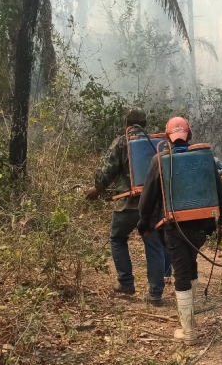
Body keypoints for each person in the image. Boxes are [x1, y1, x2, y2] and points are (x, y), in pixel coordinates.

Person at [138, 117, 222, 345]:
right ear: (188, 136)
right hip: (201, 228)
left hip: (174, 228)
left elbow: (147, 200)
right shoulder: (204, 157)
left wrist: (143, 225)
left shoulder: (160, 160)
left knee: (180, 272)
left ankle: (188, 332)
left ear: (167, 137)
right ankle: (190, 319)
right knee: (190, 265)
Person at [84, 108, 165, 305]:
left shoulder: (122, 142)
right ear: (145, 125)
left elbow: (106, 172)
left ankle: (126, 282)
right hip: (152, 204)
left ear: (126, 125)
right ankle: (155, 294)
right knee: (153, 245)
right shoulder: (157, 143)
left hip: (127, 204)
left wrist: (97, 188)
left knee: (117, 238)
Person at [163, 156, 222, 285]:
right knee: (191, 260)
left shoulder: (166, 161)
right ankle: (189, 301)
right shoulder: (207, 160)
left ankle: (185, 304)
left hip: (175, 225)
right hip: (201, 226)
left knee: (181, 269)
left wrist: (145, 223)